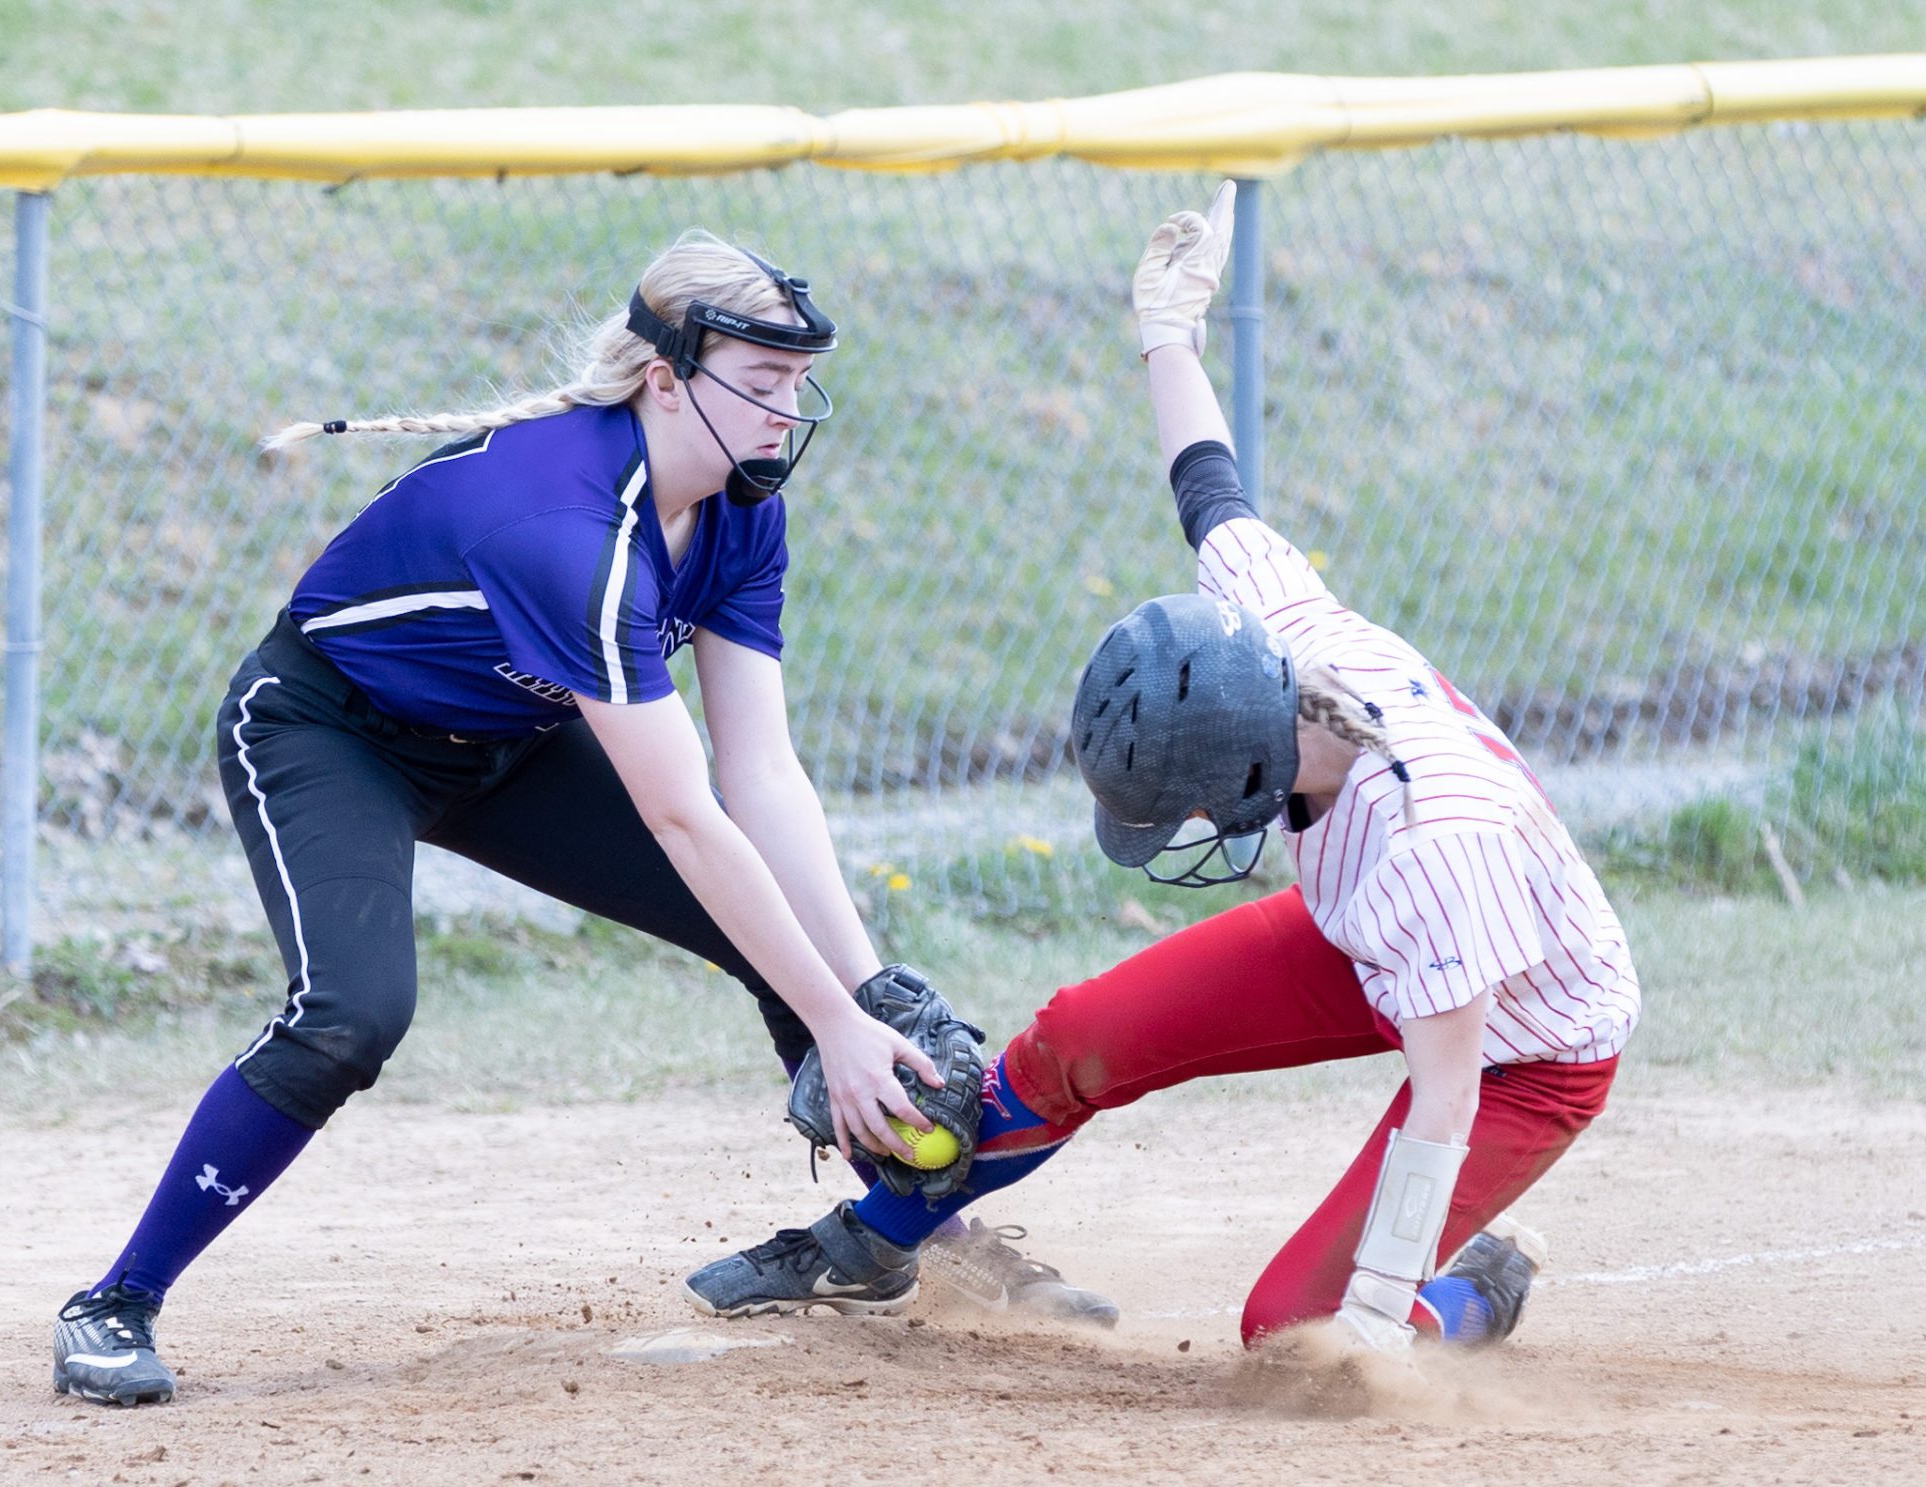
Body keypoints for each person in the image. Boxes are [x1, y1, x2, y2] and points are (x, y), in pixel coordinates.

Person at [51, 233, 1099, 1406]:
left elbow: (762, 775)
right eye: (761, 382)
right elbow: (682, 814)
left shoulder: (740, 508)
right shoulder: (566, 530)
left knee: (781, 945)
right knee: (350, 1018)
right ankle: (115, 1301)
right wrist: (832, 1019)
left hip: (515, 739)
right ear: (665, 379)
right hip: (331, 731)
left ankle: (915, 1238)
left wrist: (861, 995)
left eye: (799, 384)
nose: (786, 413)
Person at [688, 186, 1640, 1356]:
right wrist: (1164, 328)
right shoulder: (1271, 637)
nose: (1185, 823)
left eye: (1189, 804)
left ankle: (1477, 1291)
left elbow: (1446, 1099)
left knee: (1302, 1336)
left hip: (1518, 1043)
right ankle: (868, 1241)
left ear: (1249, 765)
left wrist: (1378, 1314)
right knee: (1080, 1036)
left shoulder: (1440, 846)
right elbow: (1208, 482)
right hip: (1370, 934)